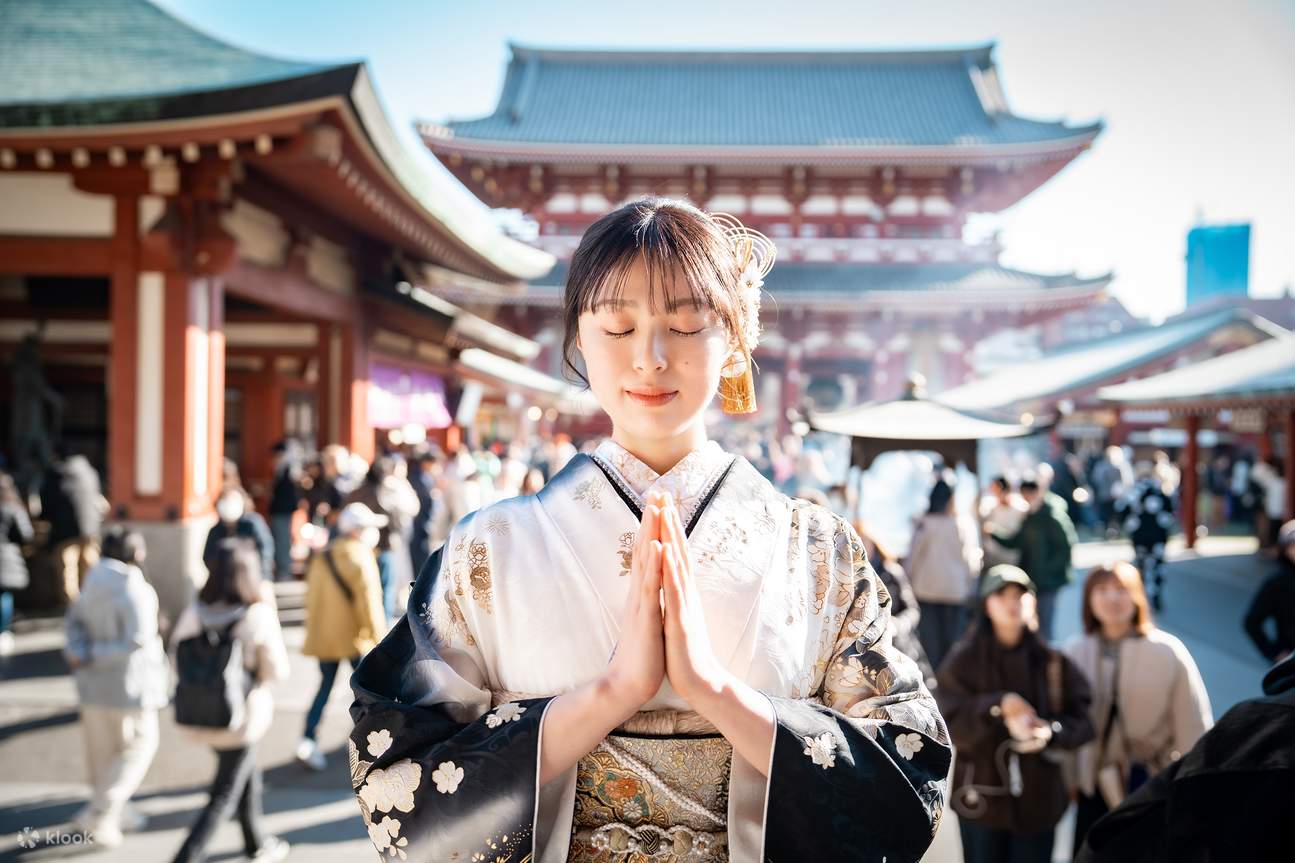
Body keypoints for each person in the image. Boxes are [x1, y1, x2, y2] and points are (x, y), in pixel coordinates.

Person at [347, 199, 949, 862]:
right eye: (617, 325)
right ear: (578, 337)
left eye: (686, 322)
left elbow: (905, 775)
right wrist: (609, 696)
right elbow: (396, 775)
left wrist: (716, 693)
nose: (650, 356)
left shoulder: (818, 552)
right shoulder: (485, 551)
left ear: (735, 336)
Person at [937, 565, 1095, 863]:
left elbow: (1085, 721)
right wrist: (997, 706)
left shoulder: (1053, 661)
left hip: (1039, 801)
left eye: (1020, 595)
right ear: (986, 604)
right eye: (1002, 594)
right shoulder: (963, 660)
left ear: (1032, 602)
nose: (1012, 602)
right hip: (980, 800)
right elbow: (947, 723)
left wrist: (1051, 733)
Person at [1076, 652, 1295, 863]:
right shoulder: (1081, 646)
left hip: (1146, 772)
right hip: (1095, 777)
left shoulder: (1260, 722)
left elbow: (1189, 722)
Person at [1064, 561, 1212, 856]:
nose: (1112, 599)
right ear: (1088, 600)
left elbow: (1193, 726)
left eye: (1121, 589)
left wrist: (1192, 790)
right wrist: (1069, 780)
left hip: (1151, 784)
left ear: (1137, 596)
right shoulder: (1074, 650)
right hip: (1092, 786)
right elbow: (1067, 724)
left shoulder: (1168, 651)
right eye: (1102, 590)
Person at [169, 538, 290, 863]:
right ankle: (186, 856)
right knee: (223, 795)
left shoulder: (195, 612)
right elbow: (277, 671)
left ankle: (257, 843)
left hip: (200, 713)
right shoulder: (257, 616)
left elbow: (176, 656)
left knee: (243, 775)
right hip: (241, 718)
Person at [63, 527, 168, 848]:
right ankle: (101, 810)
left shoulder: (91, 581)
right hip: (130, 687)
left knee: (103, 754)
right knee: (139, 746)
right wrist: (94, 654)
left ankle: (113, 815)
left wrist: (81, 654)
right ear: (135, 554)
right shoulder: (136, 589)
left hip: (92, 686)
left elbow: (73, 624)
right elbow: (137, 640)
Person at [295, 503, 388, 772]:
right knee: (369, 693)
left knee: (324, 688)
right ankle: (371, 742)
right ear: (358, 530)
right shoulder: (360, 556)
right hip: (354, 638)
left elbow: (311, 598)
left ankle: (307, 738)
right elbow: (370, 603)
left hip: (325, 636)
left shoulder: (323, 556)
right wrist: (380, 640)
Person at [905, 477, 980, 672]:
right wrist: (970, 585)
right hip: (955, 591)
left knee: (930, 641)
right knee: (952, 641)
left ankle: (933, 680)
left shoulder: (924, 524)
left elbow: (913, 557)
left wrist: (908, 581)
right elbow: (970, 560)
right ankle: (950, 679)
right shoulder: (962, 524)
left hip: (926, 590)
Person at [993, 475, 1077, 641]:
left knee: (1044, 623)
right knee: (1030, 621)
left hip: (1049, 580)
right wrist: (995, 534)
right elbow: (1016, 541)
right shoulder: (1029, 516)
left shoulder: (1051, 515)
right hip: (1032, 578)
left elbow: (1065, 546)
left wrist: (1049, 569)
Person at [854, 520, 936, 690]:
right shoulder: (848, 577)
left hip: (899, 644)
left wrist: (897, 625)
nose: (860, 546)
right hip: (864, 652)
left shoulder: (892, 572)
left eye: (863, 541)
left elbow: (912, 609)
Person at [345, 455, 420, 622]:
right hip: (384, 545)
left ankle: (363, 620)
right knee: (386, 586)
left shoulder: (356, 492)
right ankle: (382, 623)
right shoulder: (385, 492)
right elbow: (400, 516)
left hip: (359, 547)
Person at [40, 453, 105, 602]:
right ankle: (90, 608)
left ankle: (74, 612)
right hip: (90, 531)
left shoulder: (56, 475)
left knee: (68, 576)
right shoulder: (90, 473)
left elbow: (46, 505)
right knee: (90, 572)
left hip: (65, 532)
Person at [1114, 462, 1176, 611]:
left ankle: (1139, 598)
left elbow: (1120, 510)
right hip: (1158, 536)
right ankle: (1156, 595)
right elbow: (1171, 511)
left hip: (1140, 536)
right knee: (1157, 566)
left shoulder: (1133, 492)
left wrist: (1129, 525)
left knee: (1140, 566)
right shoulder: (1160, 490)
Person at [1243, 519, 1295, 664]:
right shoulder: (1277, 583)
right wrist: (1274, 653)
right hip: (1290, 664)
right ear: (1284, 549)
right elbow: (1252, 622)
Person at [202, 488, 274, 581]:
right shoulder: (215, 530)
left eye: (232, 501)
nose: (228, 505)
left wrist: (263, 577)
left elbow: (266, 549)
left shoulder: (252, 523)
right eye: (225, 501)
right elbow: (207, 556)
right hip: (223, 583)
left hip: (254, 579)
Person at [0, 471, 34, 656]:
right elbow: (26, 534)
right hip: (6, 556)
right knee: (4, 597)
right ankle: (3, 630)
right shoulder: (12, 507)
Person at [266, 440, 303, 581]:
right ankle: (282, 569)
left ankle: (284, 570)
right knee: (280, 539)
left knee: (282, 540)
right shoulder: (282, 469)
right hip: (280, 509)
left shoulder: (288, 469)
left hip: (283, 510)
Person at [408, 448, 444, 578]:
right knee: (420, 561)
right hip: (419, 524)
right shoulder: (417, 478)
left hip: (424, 524)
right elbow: (423, 502)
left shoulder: (425, 477)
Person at [980, 475, 1025, 570]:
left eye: (996, 489)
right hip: (993, 560)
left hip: (1012, 560)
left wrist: (993, 531)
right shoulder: (990, 508)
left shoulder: (1021, 509)